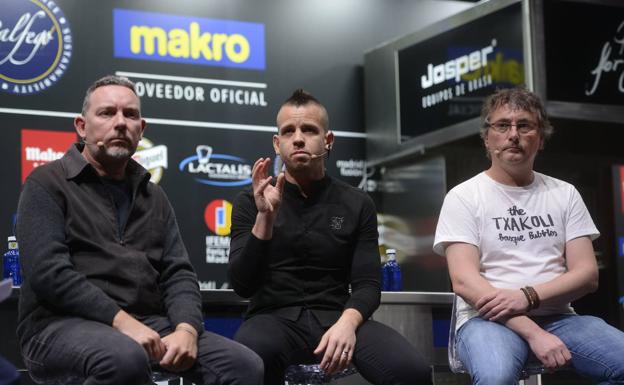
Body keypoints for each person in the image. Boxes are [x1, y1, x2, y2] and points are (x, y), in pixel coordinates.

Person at [16, 75, 263, 385]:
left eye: (130, 114)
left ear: (141, 129)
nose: (120, 122)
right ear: (81, 126)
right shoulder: (47, 183)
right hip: (57, 326)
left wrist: (186, 329)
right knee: (124, 358)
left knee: (243, 364)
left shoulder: (153, 195)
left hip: (148, 324)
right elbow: (49, 273)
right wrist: (123, 324)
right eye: (107, 113)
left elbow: (178, 273)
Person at [228, 89, 431, 385]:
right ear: (277, 143)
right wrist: (265, 218)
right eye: (288, 131)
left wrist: (347, 323)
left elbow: (368, 285)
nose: (298, 138)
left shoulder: (357, 203)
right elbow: (242, 285)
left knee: (413, 371)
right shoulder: (251, 202)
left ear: (328, 140)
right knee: (245, 364)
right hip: (272, 319)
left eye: (309, 130)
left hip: (338, 317)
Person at [433, 87, 624, 384]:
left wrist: (527, 297)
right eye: (502, 125)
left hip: (559, 318)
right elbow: (464, 281)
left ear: (541, 138)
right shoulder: (464, 196)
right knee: (496, 378)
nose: (513, 134)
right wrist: (534, 333)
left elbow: (587, 274)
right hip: (487, 321)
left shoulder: (564, 193)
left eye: (524, 125)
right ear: (487, 138)